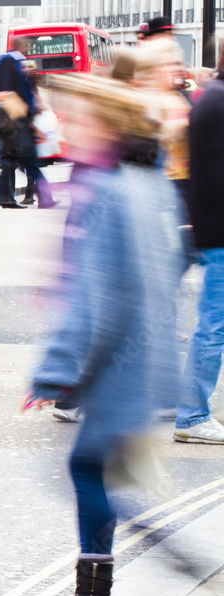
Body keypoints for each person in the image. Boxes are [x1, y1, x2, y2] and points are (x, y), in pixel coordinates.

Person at [24, 74, 182, 596]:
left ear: (107, 129)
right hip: (147, 357)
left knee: (88, 469)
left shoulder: (108, 192)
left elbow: (95, 300)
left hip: (119, 363)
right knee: (102, 468)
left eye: (77, 118)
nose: (65, 125)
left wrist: (55, 374)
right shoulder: (152, 183)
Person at [174, 54, 224, 444]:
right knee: (213, 326)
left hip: (207, 225)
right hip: (217, 232)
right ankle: (191, 415)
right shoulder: (219, 101)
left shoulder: (210, 96)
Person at [0, 37, 55, 209]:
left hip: (19, 120)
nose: (27, 48)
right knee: (25, 160)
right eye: (26, 45)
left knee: (14, 161)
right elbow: (11, 93)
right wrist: (27, 115)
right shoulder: (10, 61)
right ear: (20, 46)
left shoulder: (17, 63)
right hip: (17, 121)